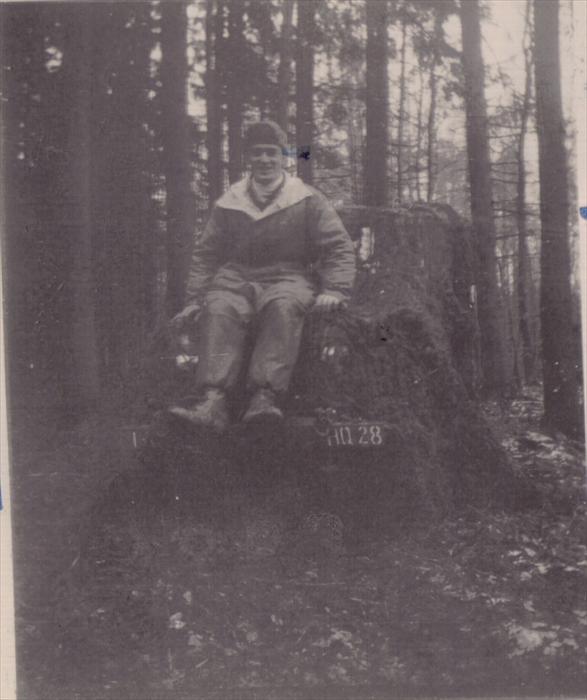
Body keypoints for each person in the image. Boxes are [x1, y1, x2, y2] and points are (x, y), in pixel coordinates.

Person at [169, 120, 356, 433]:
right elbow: (206, 254)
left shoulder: (307, 199)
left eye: (272, 153)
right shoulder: (229, 202)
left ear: (284, 157)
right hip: (236, 278)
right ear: (248, 159)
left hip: (288, 275)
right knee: (219, 308)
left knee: (283, 307)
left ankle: (264, 398)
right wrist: (192, 300)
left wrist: (335, 290)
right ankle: (213, 401)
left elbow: (338, 247)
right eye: (257, 153)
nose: (265, 160)